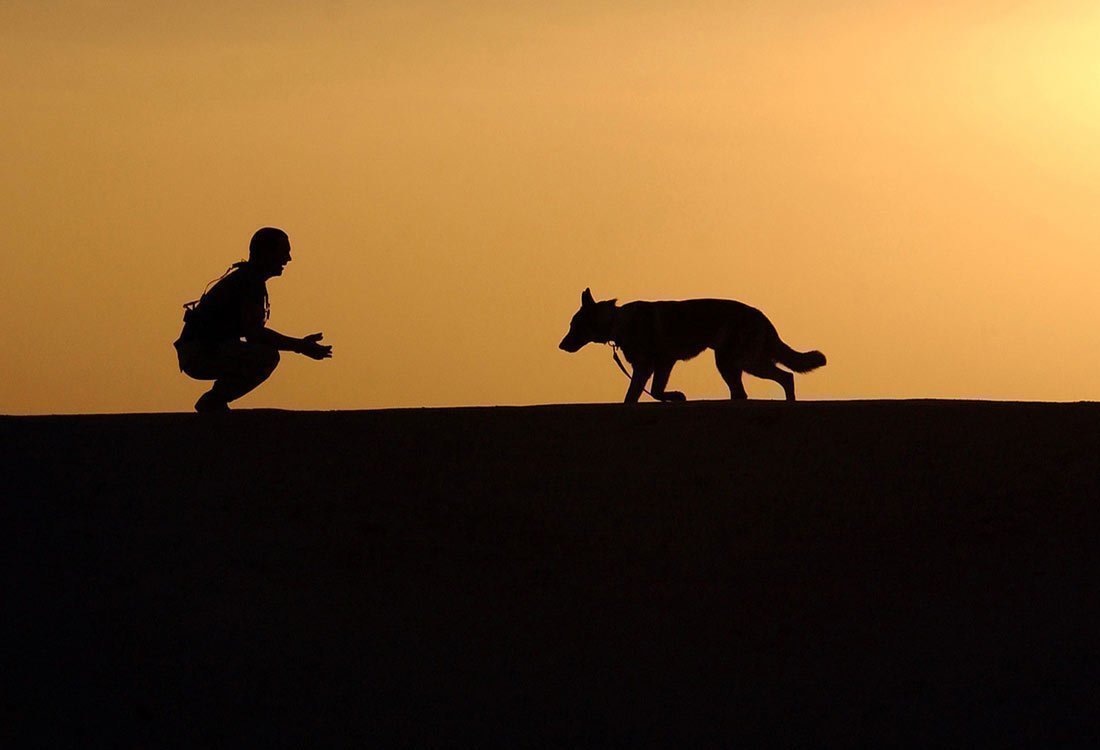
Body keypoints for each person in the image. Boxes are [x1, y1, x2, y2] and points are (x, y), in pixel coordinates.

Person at [174, 227, 332, 412]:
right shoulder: (249, 283)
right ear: (266, 253)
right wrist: (300, 346)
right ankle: (214, 401)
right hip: (201, 353)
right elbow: (255, 334)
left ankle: (215, 401)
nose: (288, 259)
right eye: (284, 252)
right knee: (266, 357)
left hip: (202, 351)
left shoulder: (248, 280)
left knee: (262, 354)